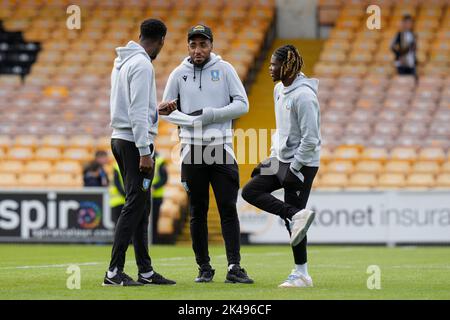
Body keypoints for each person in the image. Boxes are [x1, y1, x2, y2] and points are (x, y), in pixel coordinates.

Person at [160, 24, 253, 284]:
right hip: (191, 151)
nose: (198, 49)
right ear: (187, 46)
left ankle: (234, 267)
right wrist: (191, 122)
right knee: (197, 212)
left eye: (203, 44)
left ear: (211, 45)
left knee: (227, 208)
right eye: (193, 44)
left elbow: (242, 104)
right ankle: (204, 267)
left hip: (221, 149)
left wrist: (211, 114)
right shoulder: (179, 74)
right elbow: (165, 112)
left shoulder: (225, 70)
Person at [104, 18, 176, 286]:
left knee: (141, 206)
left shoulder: (122, 62)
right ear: (161, 41)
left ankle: (145, 271)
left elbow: (128, 106)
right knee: (135, 204)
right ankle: (114, 271)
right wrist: (145, 151)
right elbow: (134, 112)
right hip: (135, 144)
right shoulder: (143, 64)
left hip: (121, 138)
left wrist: (155, 110)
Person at [241, 45, 321, 288]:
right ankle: (295, 214)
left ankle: (302, 274)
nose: (270, 68)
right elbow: (283, 129)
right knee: (250, 191)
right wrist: (273, 157)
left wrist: (294, 168)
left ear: (287, 67)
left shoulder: (305, 96)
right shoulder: (279, 89)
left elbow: (311, 139)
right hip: (280, 159)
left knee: (293, 226)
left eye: (274, 64)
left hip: (302, 164)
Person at [151, 151, 168, 244]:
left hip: (156, 196)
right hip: (146, 195)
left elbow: (164, 178)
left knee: (154, 220)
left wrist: (154, 187)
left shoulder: (160, 160)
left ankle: (153, 240)